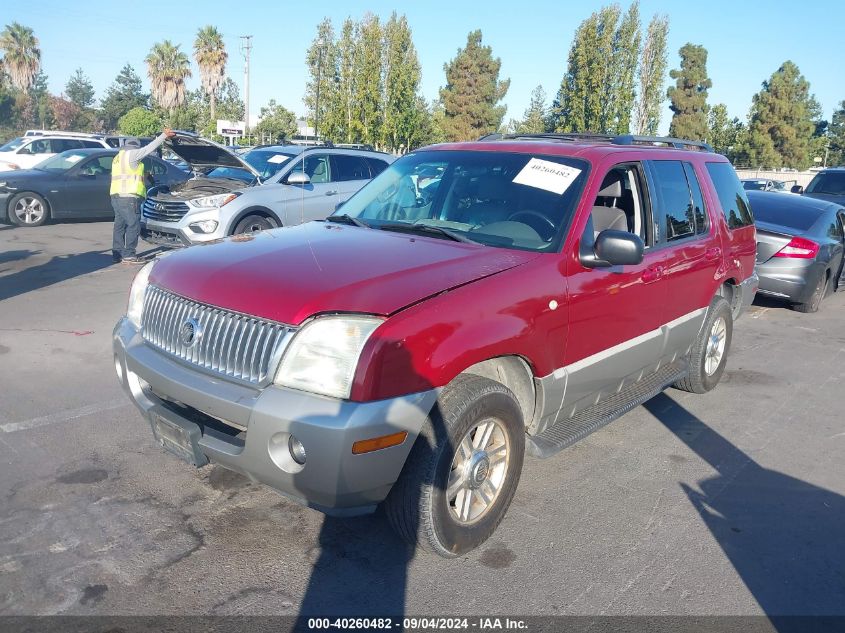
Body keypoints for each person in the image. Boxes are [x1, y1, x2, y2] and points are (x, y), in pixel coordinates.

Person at [110, 128, 176, 263]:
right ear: (134, 147)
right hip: (128, 197)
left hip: (116, 196)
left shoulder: (118, 157)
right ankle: (129, 254)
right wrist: (164, 136)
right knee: (133, 225)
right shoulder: (132, 154)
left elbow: (128, 174)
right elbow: (149, 148)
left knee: (119, 225)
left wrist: (146, 175)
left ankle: (117, 253)